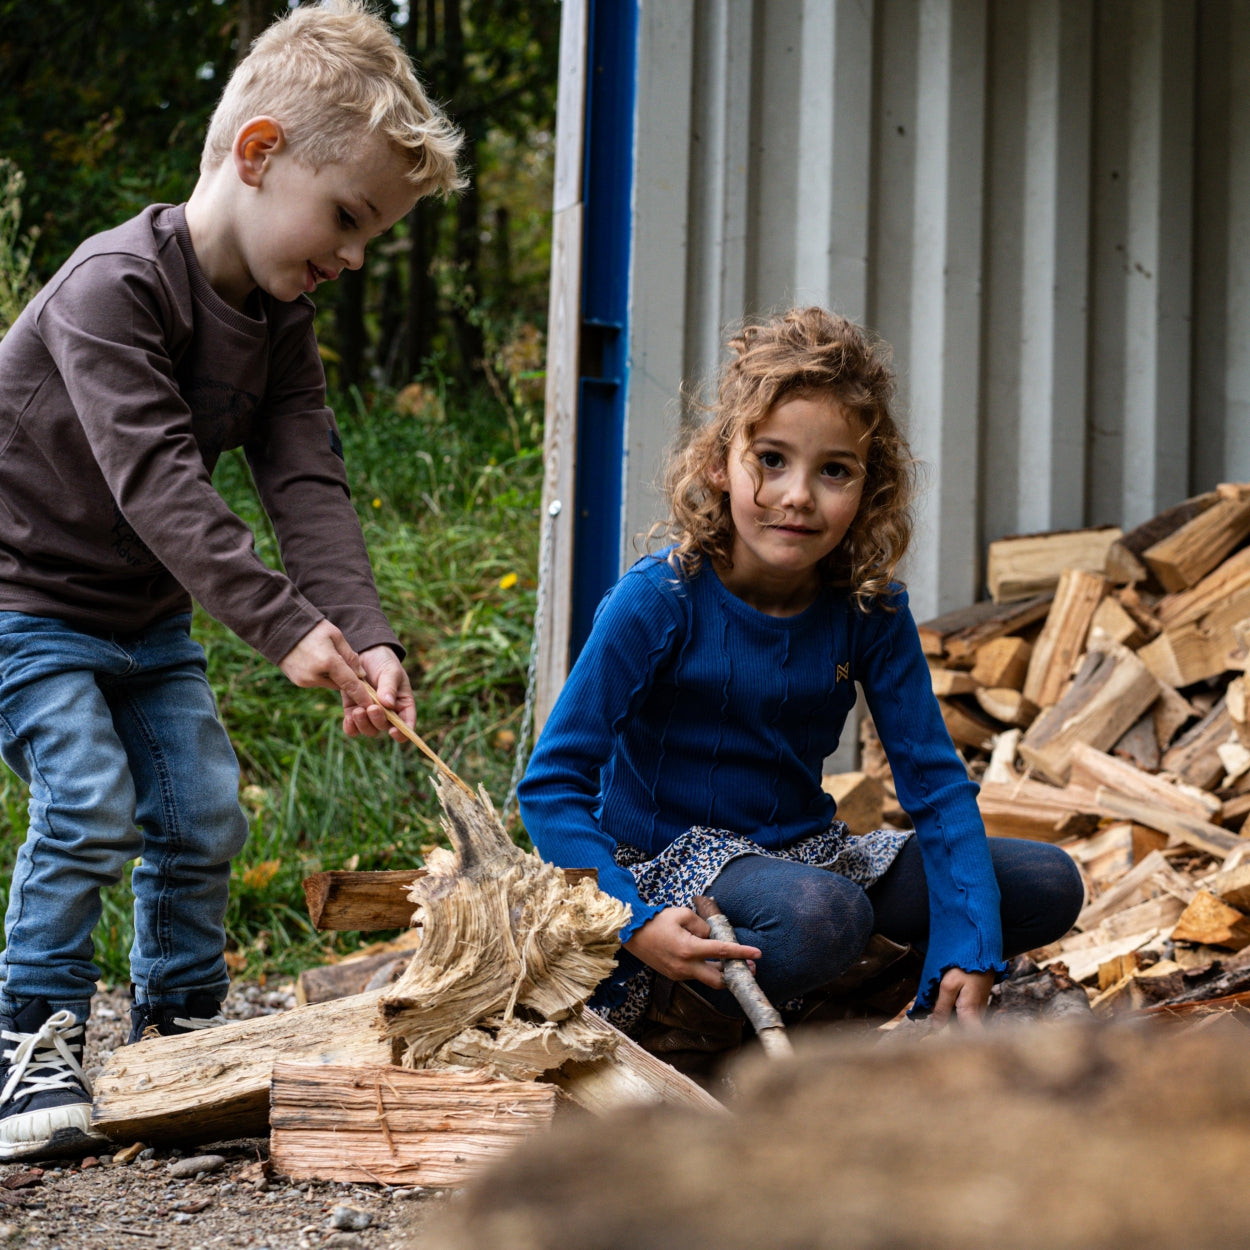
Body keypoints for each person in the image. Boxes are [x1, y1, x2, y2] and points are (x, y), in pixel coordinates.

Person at [0, 0, 463, 1160]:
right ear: (258, 154)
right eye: (347, 217)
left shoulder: (276, 318)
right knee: (92, 796)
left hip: (145, 620)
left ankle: (177, 1031)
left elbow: (307, 479)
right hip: (24, 604)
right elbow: (156, 481)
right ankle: (31, 1037)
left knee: (202, 805)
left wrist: (363, 631)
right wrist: (280, 625)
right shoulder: (112, 287)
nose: (352, 257)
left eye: (371, 238)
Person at [518, 307, 1084, 1067]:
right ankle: (683, 1030)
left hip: (801, 857)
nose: (797, 496)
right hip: (661, 869)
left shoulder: (867, 610)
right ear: (721, 463)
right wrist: (633, 919)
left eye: (834, 471)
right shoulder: (661, 600)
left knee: (1045, 882)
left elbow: (937, 787)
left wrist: (970, 943)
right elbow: (551, 786)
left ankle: (835, 1021)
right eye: (772, 460)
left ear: (869, 488)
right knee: (825, 917)